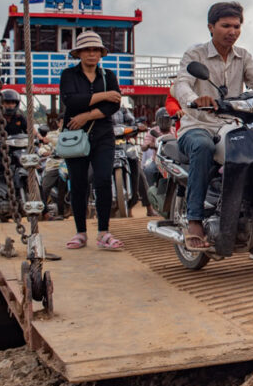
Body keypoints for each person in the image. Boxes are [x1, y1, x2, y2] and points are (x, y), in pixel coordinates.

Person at [170, 2, 253, 251]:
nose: (232, 31)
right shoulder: (195, 55)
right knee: (202, 146)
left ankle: (251, 218)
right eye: (226, 25)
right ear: (211, 27)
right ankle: (195, 220)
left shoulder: (243, 56)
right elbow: (182, 84)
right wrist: (194, 100)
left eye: (237, 26)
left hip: (231, 125)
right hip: (197, 124)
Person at [59, 30, 124, 250]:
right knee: (78, 184)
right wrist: (105, 96)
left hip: (103, 134)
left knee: (104, 179)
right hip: (74, 138)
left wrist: (87, 115)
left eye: (95, 49)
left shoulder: (109, 75)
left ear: (101, 53)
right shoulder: (68, 75)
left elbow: (114, 104)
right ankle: (80, 232)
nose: (92, 53)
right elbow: (71, 102)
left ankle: (104, 232)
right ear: (78, 53)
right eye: (87, 49)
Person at [140, 106, 173, 216]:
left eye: (167, 119)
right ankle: (151, 193)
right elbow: (143, 146)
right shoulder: (153, 131)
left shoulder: (175, 130)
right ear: (158, 120)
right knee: (148, 170)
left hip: (172, 162)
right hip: (157, 162)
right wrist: (148, 145)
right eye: (162, 120)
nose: (165, 122)